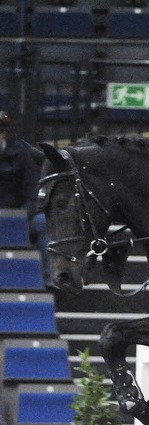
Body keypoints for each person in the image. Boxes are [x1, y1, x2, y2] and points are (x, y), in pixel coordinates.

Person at [0, 106, 52, 289]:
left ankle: (48, 281)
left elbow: (32, 192)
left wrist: (20, 216)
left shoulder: (20, 153)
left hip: (20, 216)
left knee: (42, 222)